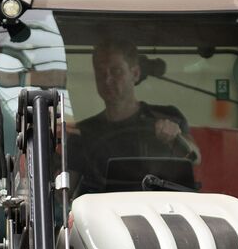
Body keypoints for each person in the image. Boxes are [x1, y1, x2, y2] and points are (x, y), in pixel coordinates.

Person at [71, 38, 195, 192]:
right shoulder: (83, 132)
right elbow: (64, 194)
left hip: (161, 209)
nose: (107, 80)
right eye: (100, 72)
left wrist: (175, 139)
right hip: (101, 213)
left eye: (116, 71)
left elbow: (195, 157)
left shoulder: (167, 117)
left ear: (135, 74)